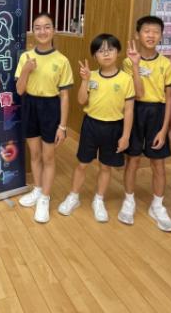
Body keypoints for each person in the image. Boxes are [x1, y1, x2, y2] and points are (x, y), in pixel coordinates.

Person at [58, 34, 134, 222]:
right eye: (101, 51)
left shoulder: (126, 79)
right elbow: (81, 100)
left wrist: (125, 136)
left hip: (114, 127)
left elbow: (129, 110)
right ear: (94, 56)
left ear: (118, 52)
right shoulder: (91, 75)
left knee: (106, 166)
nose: (106, 54)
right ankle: (73, 196)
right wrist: (84, 80)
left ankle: (98, 200)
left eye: (110, 50)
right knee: (82, 164)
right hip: (91, 125)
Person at [15, 13, 73, 223]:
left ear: (53, 30)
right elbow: (19, 90)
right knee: (35, 154)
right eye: (38, 27)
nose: (42, 31)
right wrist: (26, 71)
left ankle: (45, 199)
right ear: (33, 31)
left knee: (48, 157)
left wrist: (63, 126)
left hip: (51, 107)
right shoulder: (25, 57)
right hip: (30, 105)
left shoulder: (62, 60)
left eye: (47, 27)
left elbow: (65, 96)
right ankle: (38, 190)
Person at [119, 16, 171, 231]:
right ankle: (129, 201)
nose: (151, 35)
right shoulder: (128, 62)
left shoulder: (166, 64)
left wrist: (164, 128)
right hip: (135, 110)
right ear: (138, 34)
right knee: (132, 160)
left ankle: (157, 205)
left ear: (161, 35)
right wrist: (135, 65)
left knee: (158, 163)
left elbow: (169, 99)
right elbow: (136, 93)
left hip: (157, 113)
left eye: (155, 31)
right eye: (146, 31)